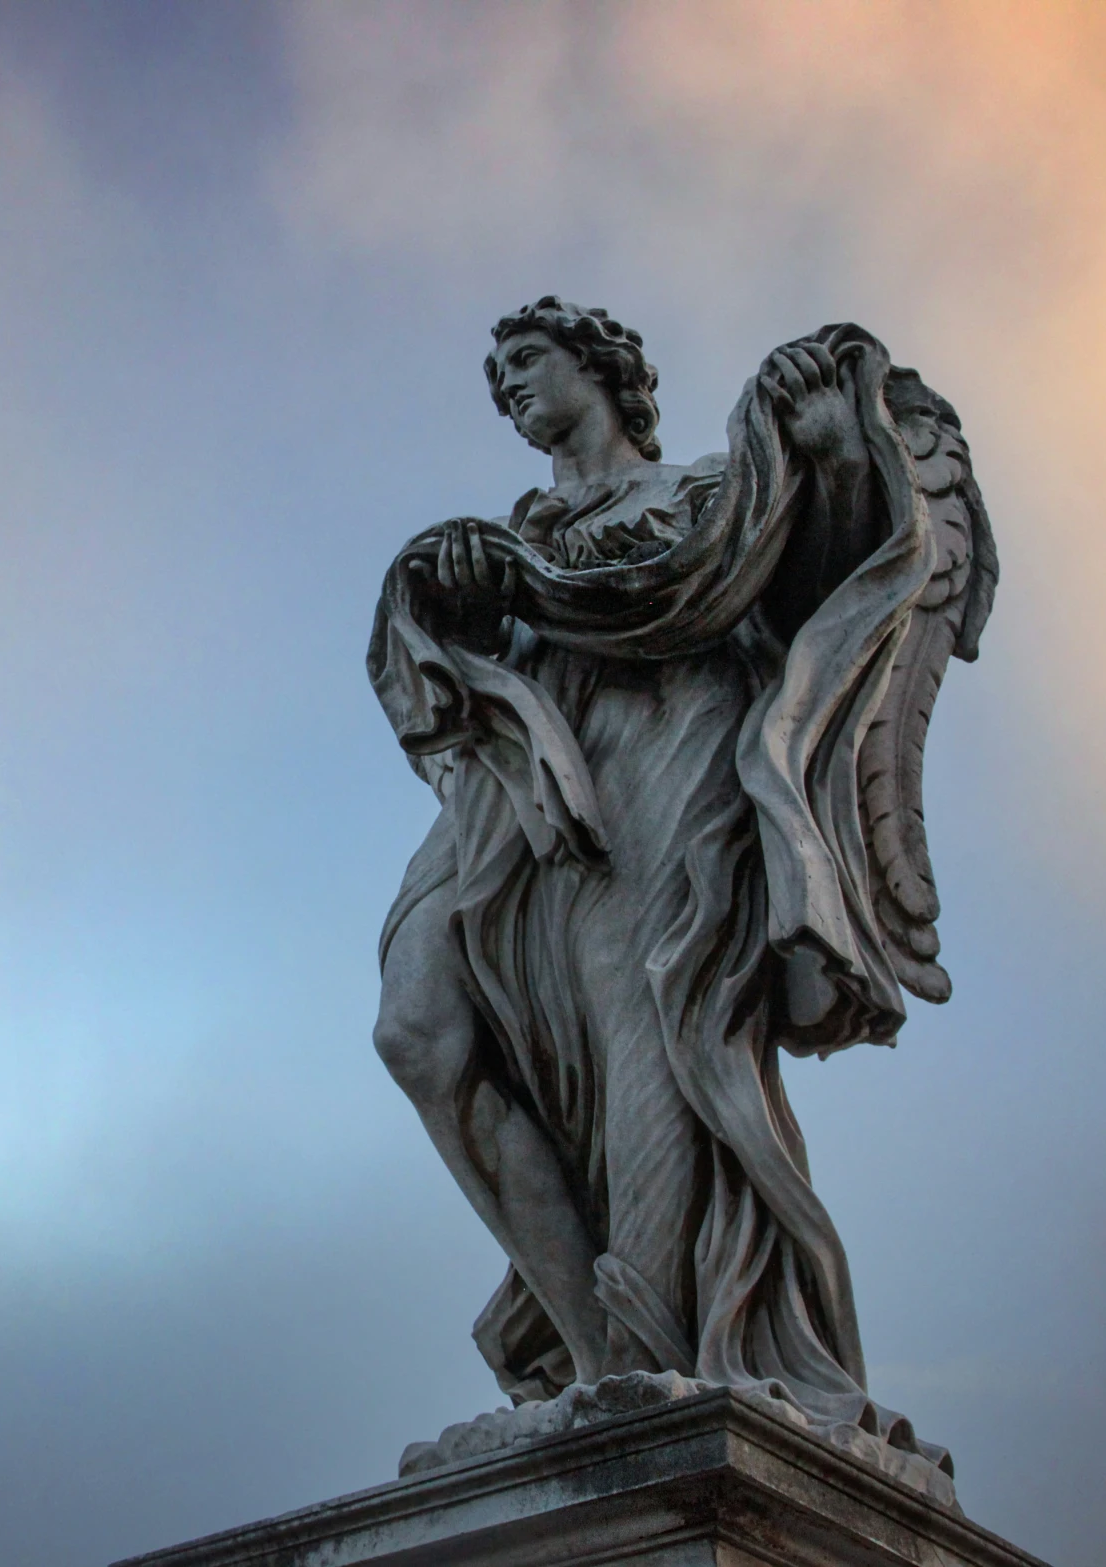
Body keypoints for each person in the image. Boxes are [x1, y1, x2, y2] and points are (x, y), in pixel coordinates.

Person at [367, 298, 994, 1470]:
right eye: (493, 371)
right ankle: (591, 1336)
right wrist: (458, 602)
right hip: (530, 800)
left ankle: (635, 1356)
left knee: (652, 1037)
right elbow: (470, 698)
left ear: (602, 371)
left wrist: (832, 447)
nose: (504, 382)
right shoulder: (518, 537)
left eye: (524, 360)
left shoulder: (704, 495)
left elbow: (827, 595)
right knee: (418, 1029)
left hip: (668, 766)